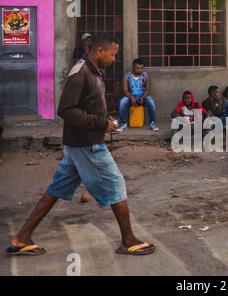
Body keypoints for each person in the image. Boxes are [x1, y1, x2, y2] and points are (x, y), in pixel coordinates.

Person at [6, 35, 156, 257]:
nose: (115, 59)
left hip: (79, 144)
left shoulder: (94, 71)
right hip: (87, 144)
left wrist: (106, 120)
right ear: (99, 51)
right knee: (116, 185)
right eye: (113, 54)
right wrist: (101, 123)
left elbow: (90, 105)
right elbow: (65, 110)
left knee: (57, 188)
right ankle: (128, 240)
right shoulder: (81, 73)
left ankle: (22, 237)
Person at [117, 58, 159, 132]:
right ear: (133, 67)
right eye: (138, 68)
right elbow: (125, 90)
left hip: (143, 97)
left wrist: (142, 97)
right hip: (130, 96)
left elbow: (147, 90)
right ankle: (123, 123)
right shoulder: (126, 75)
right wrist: (131, 97)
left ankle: (153, 123)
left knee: (151, 102)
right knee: (122, 102)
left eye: (141, 68)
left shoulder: (146, 75)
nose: (140, 70)